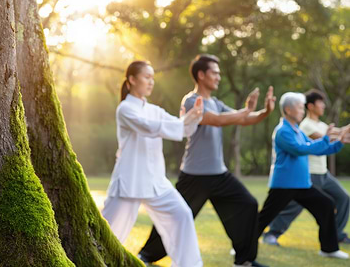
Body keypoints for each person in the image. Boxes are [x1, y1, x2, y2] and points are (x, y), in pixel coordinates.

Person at [138, 54, 276, 267]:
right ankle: (146, 256)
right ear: (201, 75)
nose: (218, 77)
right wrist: (246, 110)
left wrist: (265, 112)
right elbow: (216, 121)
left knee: (248, 204)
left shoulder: (217, 103)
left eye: (219, 73)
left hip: (219, 174)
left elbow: (244, 119)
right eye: (215, 72)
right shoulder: (192, 100)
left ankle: (245, 260)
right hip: (195, 175)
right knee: (176, 216)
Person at [101, 61, 204, 267]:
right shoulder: (125, 109)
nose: (151, 82)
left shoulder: (155, 110)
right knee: (108, 232)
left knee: (182, 215)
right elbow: (148, 127)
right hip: (129, 181)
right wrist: (183, 121)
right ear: (131, 79)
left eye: (153, 78)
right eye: (146, 77)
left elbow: (180, 130)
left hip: (155, 181)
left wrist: (192, 119)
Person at [257, 92, 349, 260]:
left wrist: (338, 144)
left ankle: (329, 248)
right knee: (264, 217)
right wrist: (326, 139)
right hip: (284, 185)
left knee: (326, 205)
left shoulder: (296, 130)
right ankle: (241, 245)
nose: (302, 110)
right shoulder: (283, 131)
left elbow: (314, 146)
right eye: (299, 108)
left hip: (302, 184)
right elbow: (300, 149)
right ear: (288, 109)